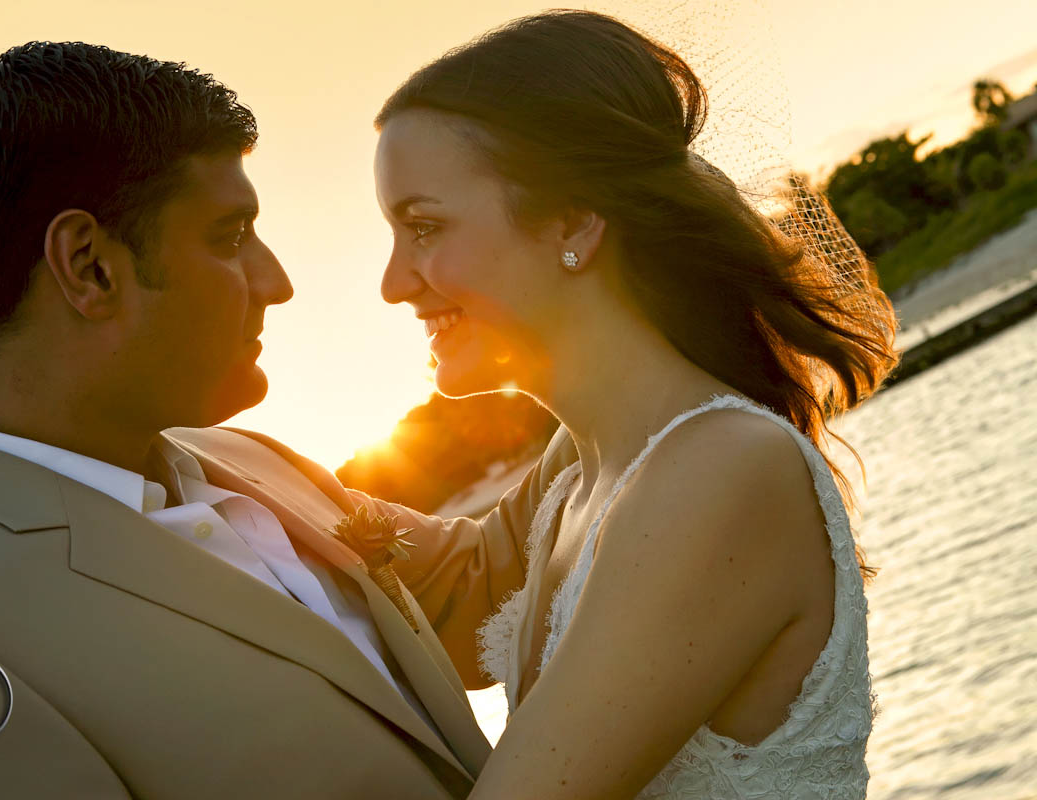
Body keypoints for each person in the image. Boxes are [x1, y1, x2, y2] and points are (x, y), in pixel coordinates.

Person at [0, 34, 581, 799]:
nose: (276, 281)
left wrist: (635, 347)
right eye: (229, 237)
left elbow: (495, 584)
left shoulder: (246, 461)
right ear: (90, 267)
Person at [367, 9, 899, 798]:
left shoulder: (721, 471)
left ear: (574, 220)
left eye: (424, 227)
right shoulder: (577, 470)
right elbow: (455, 595)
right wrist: (214, 471)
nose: (393, 283)